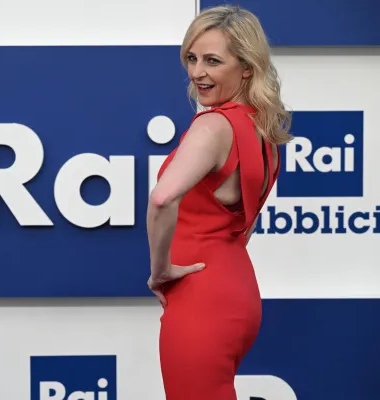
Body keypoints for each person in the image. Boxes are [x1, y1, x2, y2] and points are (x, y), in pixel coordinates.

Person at [146, 5, 293, 400]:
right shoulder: (261, 128)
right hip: (237, 291)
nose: (197, 72)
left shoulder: (213, 126)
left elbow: (162, 198)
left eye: (212, 61)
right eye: (192, 58)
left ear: (246, 67)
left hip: (200, 296)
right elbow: (243, 220)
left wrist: (160, 270)